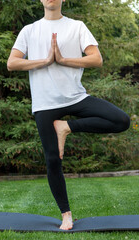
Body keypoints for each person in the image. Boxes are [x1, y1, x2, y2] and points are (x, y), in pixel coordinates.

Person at [7, 0, 130, 230]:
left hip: (76, 97)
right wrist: (44, 61)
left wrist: (63, 60)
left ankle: (66, 127)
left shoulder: (77, 26)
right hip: (45, 103)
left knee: (121, 120)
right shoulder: (30, 30)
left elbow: (96, 58)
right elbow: (12, 63)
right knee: (53, 160)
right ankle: (66, 214)